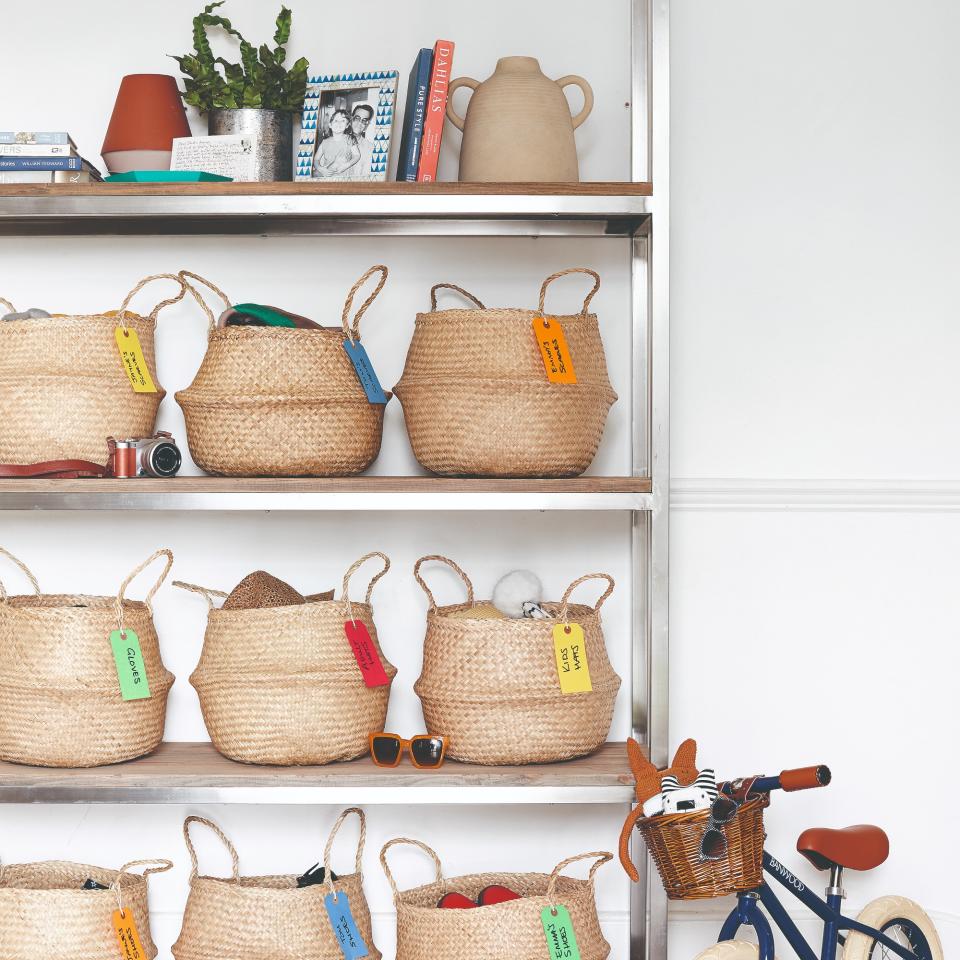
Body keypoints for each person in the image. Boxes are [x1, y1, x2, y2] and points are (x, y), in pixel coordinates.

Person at [313, 109, 361, 178]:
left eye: (343, 121)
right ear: (330, 125)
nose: (339, 123)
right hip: (328, 176)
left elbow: (357, 155)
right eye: (336, 121)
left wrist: (346, 165)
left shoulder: (350, 139)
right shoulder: (325, 142)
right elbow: (316, 159)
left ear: (347, 125)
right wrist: (321, 169)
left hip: (345, 177)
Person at [348, 103, 375, 179]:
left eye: (364, 121)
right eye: (357, 118)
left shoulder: (370, 148)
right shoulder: (334, 140)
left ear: (366, 125)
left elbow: (366, 178)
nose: (359, 123)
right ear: (351, 119)